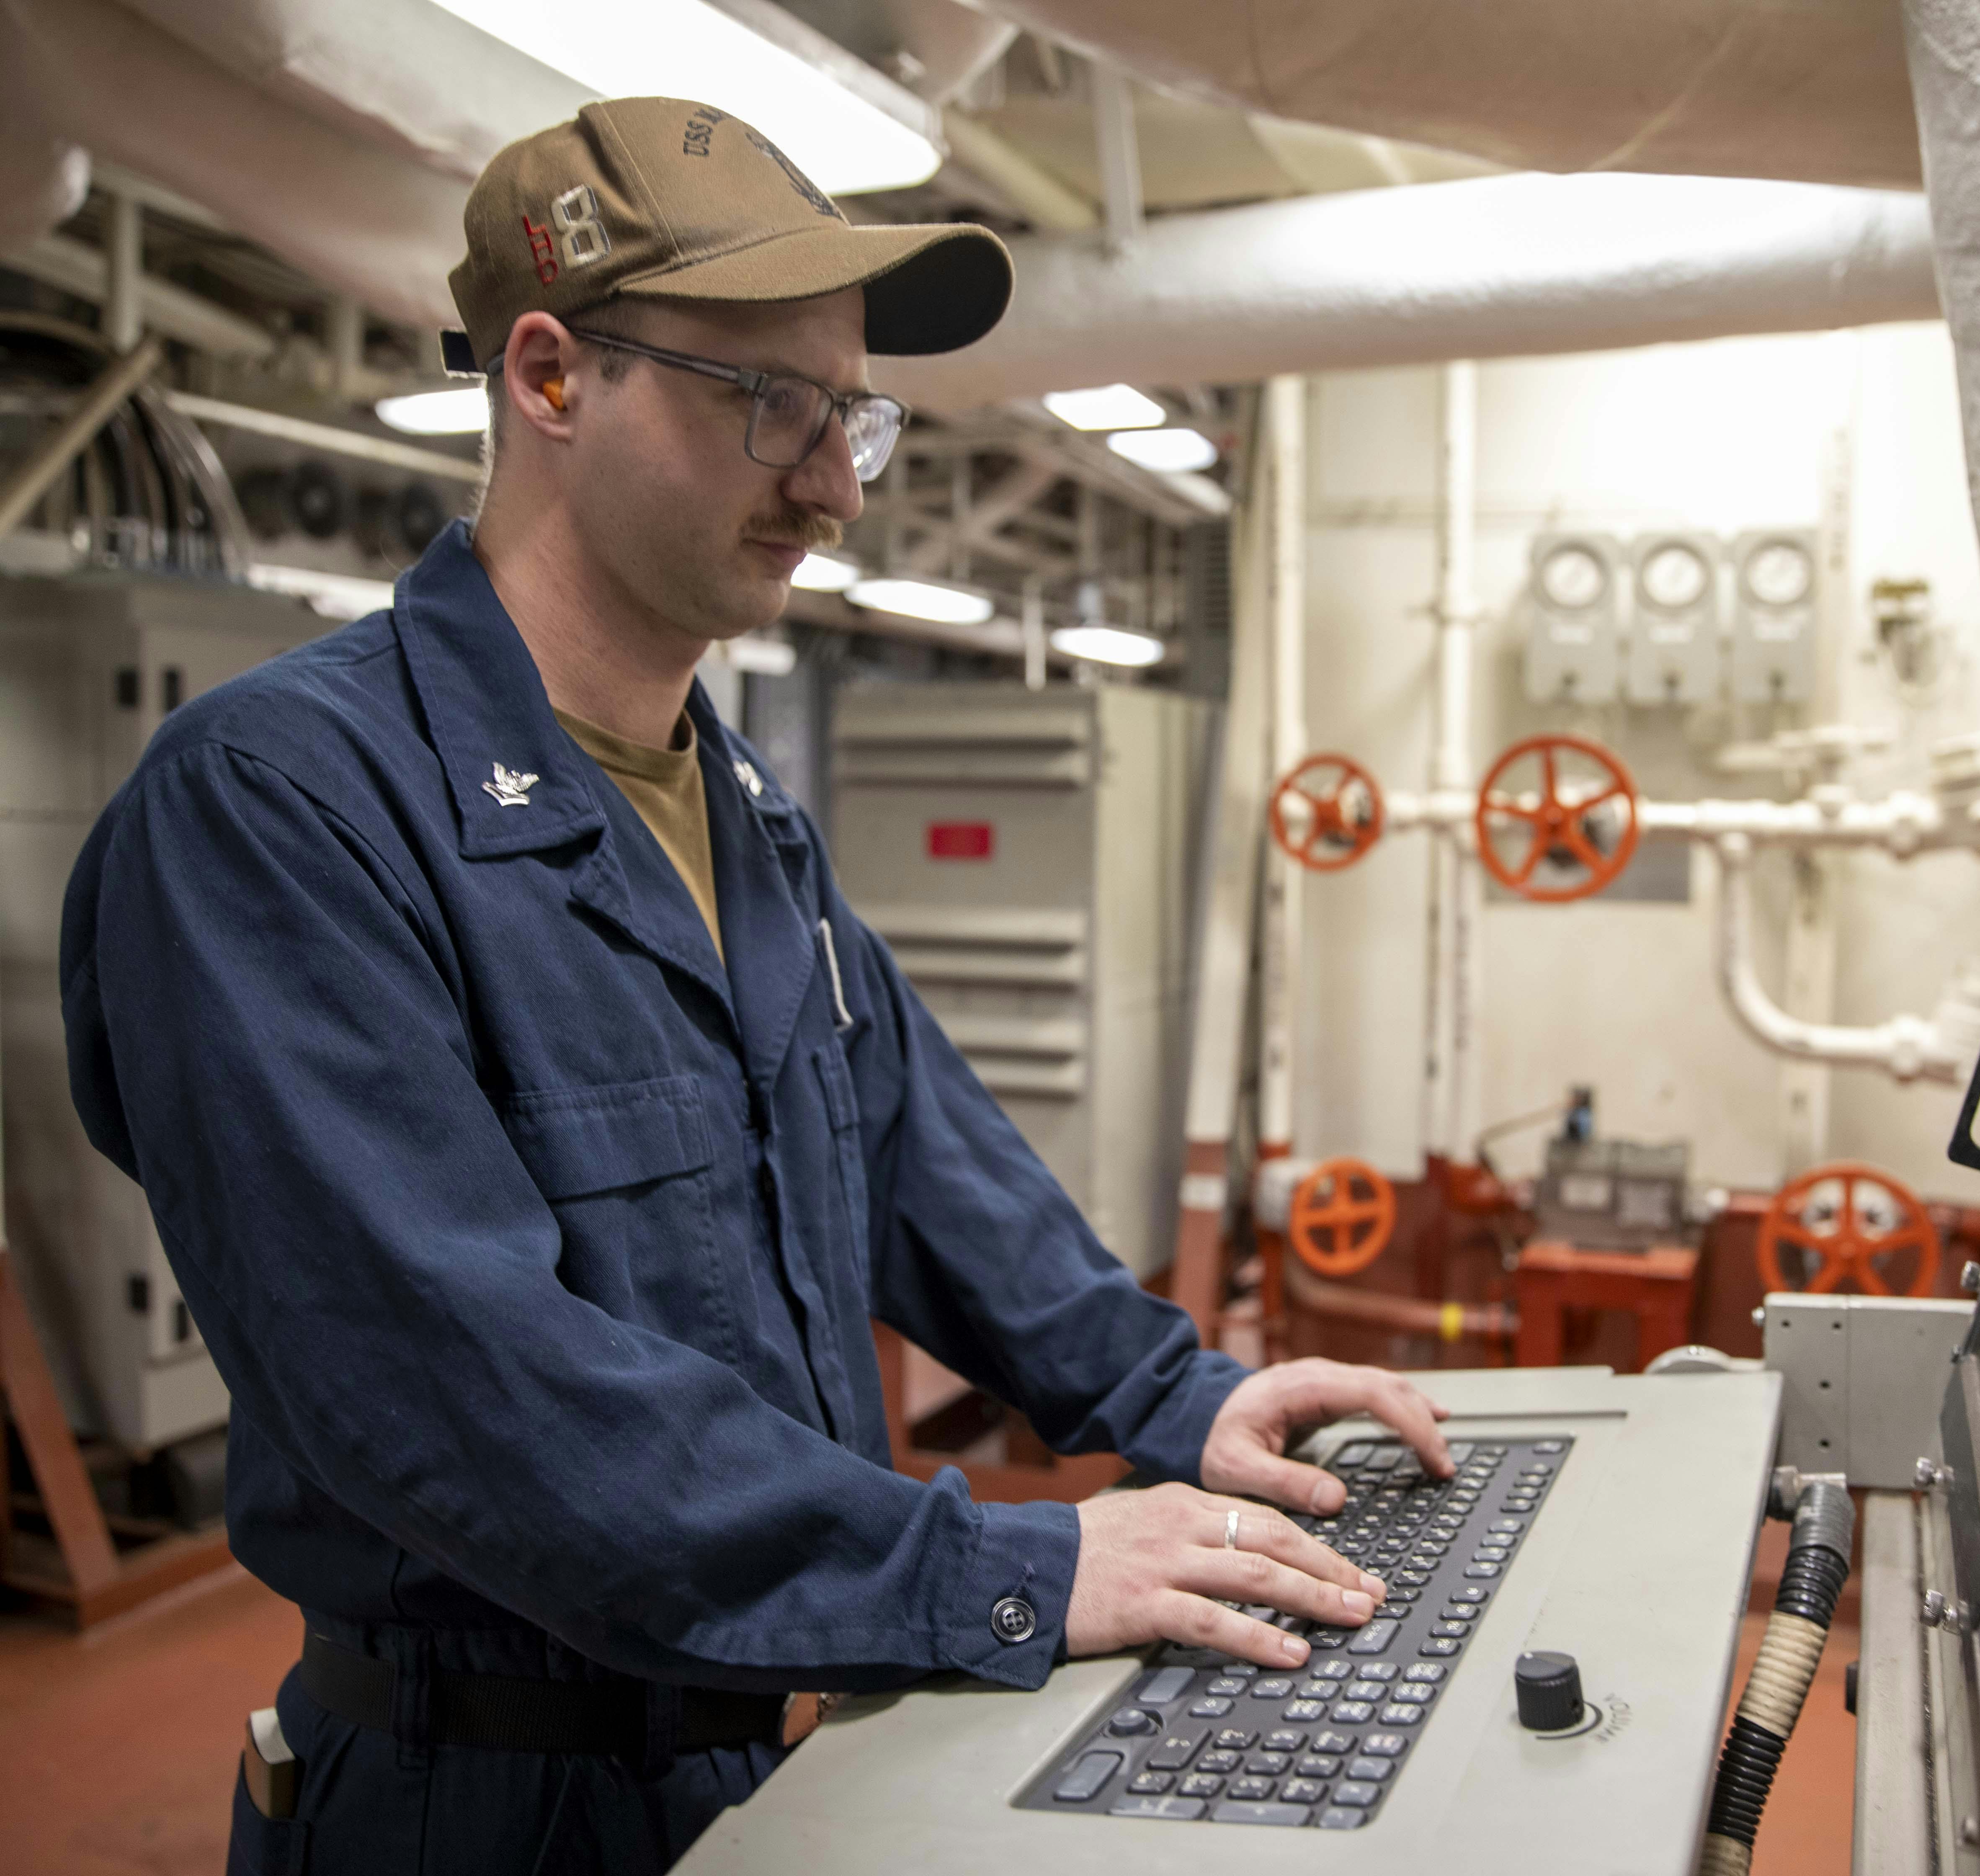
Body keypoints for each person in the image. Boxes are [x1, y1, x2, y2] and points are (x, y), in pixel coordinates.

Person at [61, 97, 1448, 1874]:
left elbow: (923, 1165)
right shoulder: (277, 808)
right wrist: (995, 1567)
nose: (838, 483)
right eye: (770, 406)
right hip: (478, 1801)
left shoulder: (743, 815)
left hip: (758, 1747)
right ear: (550, 379)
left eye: (848, 413)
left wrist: (1178, 1398)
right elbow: (451, 1385)